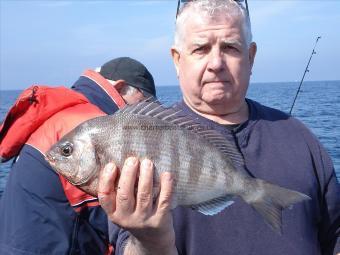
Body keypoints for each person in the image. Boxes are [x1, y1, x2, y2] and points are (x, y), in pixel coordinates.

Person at [97, 1, 340, 255]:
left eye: (230, 47)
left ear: (251, 56)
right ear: (177, 60)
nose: (216, 63)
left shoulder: (300, 137)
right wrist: (150, 241)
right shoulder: (140, 137)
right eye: (201, 49)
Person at [0, 57, 156, 254]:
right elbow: (116, 218)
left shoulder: (63, 115)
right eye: (144, 104)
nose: (146, 115)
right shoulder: (88, 126)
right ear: (121, 88)